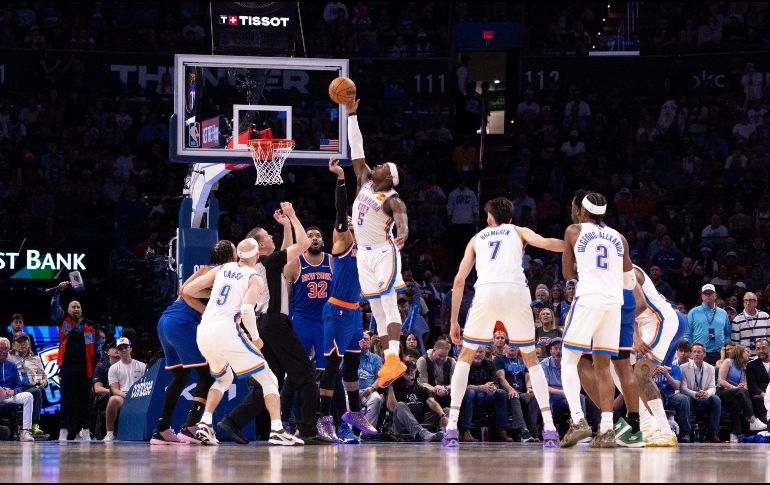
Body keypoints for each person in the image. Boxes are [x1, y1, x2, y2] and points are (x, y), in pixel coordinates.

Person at [443, 197, 564, 448]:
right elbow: (547, 243)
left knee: (465, 356)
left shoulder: (477, 239)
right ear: (510, 218)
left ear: (489, 219)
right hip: (515, 292)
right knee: (531, 359)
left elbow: (458, 281)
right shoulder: (518, 231)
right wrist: (573, 244)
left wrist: (454, 320)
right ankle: (550, 429)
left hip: (486, 291)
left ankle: (452, 426)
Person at [185, 236, 303, 446]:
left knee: (223, 378)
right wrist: (256, 339)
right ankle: (277, 429)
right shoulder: (254, 277)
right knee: (270, 379)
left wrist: (212, 296)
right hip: (228, 330)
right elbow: (247, 309)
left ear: (238, 254)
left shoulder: (221, 269)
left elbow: (189, 291)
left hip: (204, 331)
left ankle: (205, 422)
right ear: (257, 255)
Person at [221, 203, 318, 443]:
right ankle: (306, 430)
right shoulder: (268, 262)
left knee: (269, 381)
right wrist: (294, 216)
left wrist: (285, 226)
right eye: (267, 236)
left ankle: (232, 421)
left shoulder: (262, 265)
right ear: (260, 246)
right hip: (275, 324)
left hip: (266, 324)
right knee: (305, 375)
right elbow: (302, 246)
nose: (272, 237)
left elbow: (286, 251)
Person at [560, 191, 637, 448]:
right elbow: (628, 282)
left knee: (568, 359)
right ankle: (606, 430)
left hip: (589, 297)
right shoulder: (620, 237)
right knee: (603, 365)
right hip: (614, 303)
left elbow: (568, 273)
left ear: (581, 210)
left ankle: (578, 420)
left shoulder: (573, 230)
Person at [346, 98, 410, 389]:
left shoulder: (392, 197)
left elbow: (402, 215)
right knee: (376, 310)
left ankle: (395, 356)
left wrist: (404, 232)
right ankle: (390, 361)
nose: (379, 164)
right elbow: (356, 150)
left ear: (389, 178)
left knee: (388, 302)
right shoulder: (364, 179)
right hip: (364, 254)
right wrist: (352, 114)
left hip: (385, 251)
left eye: (384, 166)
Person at [150, 240, 236, 445]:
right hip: (181, 323)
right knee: (208, 374)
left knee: (180, 377)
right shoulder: (221, 274)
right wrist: (207, 311)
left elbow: (184, 289)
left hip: (165, 323)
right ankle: (190, 427)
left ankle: (161, 430)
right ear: (230, 256)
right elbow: (185, 293)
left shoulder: (205, 271)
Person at [316, 158, 377, 443]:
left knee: (351, 367)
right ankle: (324, 418)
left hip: (354, 314)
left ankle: (353, 412)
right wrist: (341, 179)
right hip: (337, 312)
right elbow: (343, 211)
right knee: (331, 367)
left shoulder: (364, 245)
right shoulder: (342, 242)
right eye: (350, 222)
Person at [628, 265, 688, 447]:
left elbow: (639, 305)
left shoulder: (627, 270)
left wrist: (636, 337)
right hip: (651, 322)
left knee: (640, 374)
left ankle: (665, 430)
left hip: (660, 321)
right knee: (624, 367)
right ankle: (648, 425)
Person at [51, 281, 98, 442]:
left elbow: (98, 344)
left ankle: (85, 430)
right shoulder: (63, 320)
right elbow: (54, 307)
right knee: (67, 399)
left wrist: (98, 358)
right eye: (73, 307)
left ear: (81, 310)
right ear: (68, 309)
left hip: (86, 368)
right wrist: (58, 291)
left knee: (84, 400)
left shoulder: (90, 325)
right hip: (67, 367)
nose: (76, 309)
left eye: (78, 307)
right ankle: (63, 430)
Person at [285, 224, 332, 372]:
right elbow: (286, 297)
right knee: (298, 366)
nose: (314, 238)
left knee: (327, 369)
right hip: (302, 320)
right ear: (304, 242)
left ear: (323, 242)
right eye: (310, 236)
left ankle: (325, 395)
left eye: (318, 236)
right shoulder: (294, 263)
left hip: (326, 321)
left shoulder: (332, 261)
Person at [717, 344, 767, 442]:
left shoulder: (744, 367)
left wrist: (742, 386)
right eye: (746, 351)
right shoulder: (728, 362)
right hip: (723, 392)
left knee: (737, 402)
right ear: (739, 352)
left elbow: (746, 385)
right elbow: (721, 380)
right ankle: (753, 420)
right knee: (740, 392)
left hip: (737, 394)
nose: (749, 354)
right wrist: (735, 387)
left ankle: (735, 433)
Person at [385, 360, 445, 442]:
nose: (410, 372)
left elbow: (432, 403)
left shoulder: (422, 388)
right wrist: (390, 387)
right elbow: (392, 408)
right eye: (407, 370)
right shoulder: (394, 389)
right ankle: (421, 433)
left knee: (445, 411)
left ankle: (443, 433)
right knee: (400, 405)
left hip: (420, 422)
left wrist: (442, 415)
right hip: (400, 425)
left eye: (412, 370)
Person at [103, 337, 146, 442]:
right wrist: (127, 395)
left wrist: (136, 395)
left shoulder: (142, 365)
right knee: (112, 400)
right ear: (117, 351)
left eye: (125, 347)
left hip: (140, 395)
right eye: (120, 348)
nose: (123, 350)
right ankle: (109, 433)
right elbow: (114, 389)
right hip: (123, 396)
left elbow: (146, 384)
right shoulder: (113, 368)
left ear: (130, 348)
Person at [495, 344, 539, 442]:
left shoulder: (523, 360)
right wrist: (510, 389)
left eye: (514, 345)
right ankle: (523, 431)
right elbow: (501, 377)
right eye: (509, 345)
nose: (512, 347)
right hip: (507, 393)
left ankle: (532, 429)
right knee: (514, 396)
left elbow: (528, 377)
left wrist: (529, 388)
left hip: (522, 392)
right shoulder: (499, 359)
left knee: (534, 396)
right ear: (504, 347)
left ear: (518, 348)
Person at [679, 342, 722, 443]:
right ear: (691, 354)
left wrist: (707, 393)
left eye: (699, 352)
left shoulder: (710, 368)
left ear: (704, 354)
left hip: (704, 397)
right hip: (690, 397)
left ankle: (713, 433)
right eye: (694, 352)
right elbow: (683, 388)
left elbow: (713, 387)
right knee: (685, 399)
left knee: (716, 399)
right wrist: (695, 394)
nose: (696, 354)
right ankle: (686, 433)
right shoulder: (683, 368)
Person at [8, 333, 47, 436]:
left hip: (31, 387)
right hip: (15, 388)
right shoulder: (8, 356)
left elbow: (43, 376)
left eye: (25, 341)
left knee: (36, 391)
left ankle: (34, 425)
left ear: (29, 343)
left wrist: (44, 381)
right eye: (19, 342)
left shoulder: (35, 358)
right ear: (13, 345)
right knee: (35, 391)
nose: (23, 344)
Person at [0, 337, 34, 442]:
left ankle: (25, 431)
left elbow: (19, 386)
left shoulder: (12, 366)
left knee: (28, 396)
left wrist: (13, 391)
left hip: (8, 396)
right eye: (1, 348)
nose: (4, 351)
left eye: (6, 349)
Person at [687, 284, 731, 365]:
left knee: (718, 376)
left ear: (715, 295)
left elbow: (728, 334)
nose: (708, 295)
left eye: (710, 293)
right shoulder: (693, 312)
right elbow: (687, 334)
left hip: (718, 353)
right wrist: (690, 351)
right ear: (702, 296)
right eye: (705, 293)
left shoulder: (723, 313)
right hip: (699, 353)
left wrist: (725, 347)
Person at [746, 338, 770, 419]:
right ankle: (765, 425)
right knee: (756, 398)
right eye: (758, 349)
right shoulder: (751, 365)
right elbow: (752, 385)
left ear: (769, 348)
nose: (760, 351)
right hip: (762, 394)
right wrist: (764, 395)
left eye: (763, 348)